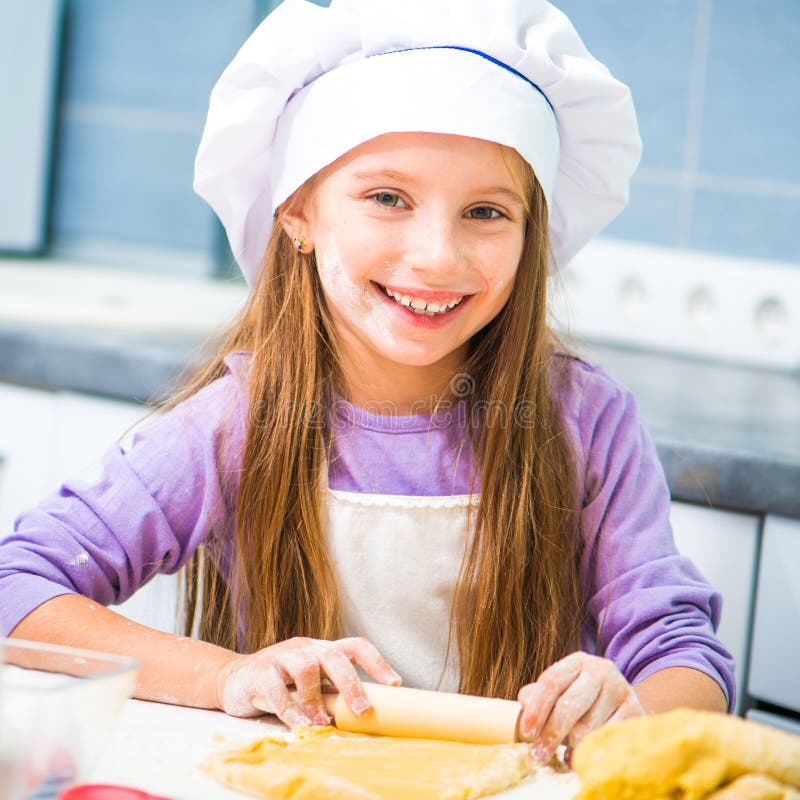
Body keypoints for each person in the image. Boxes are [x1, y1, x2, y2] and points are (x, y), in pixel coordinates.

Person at [0, 0, 733, 764]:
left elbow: (685, 655)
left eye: (486, 211)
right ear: (298, 215)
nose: (437, 257)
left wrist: (635, 712)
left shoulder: (582, 419)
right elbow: (15, 584)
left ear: (531, 235)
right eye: (388, 198)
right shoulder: (240, 422)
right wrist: (234, 676)